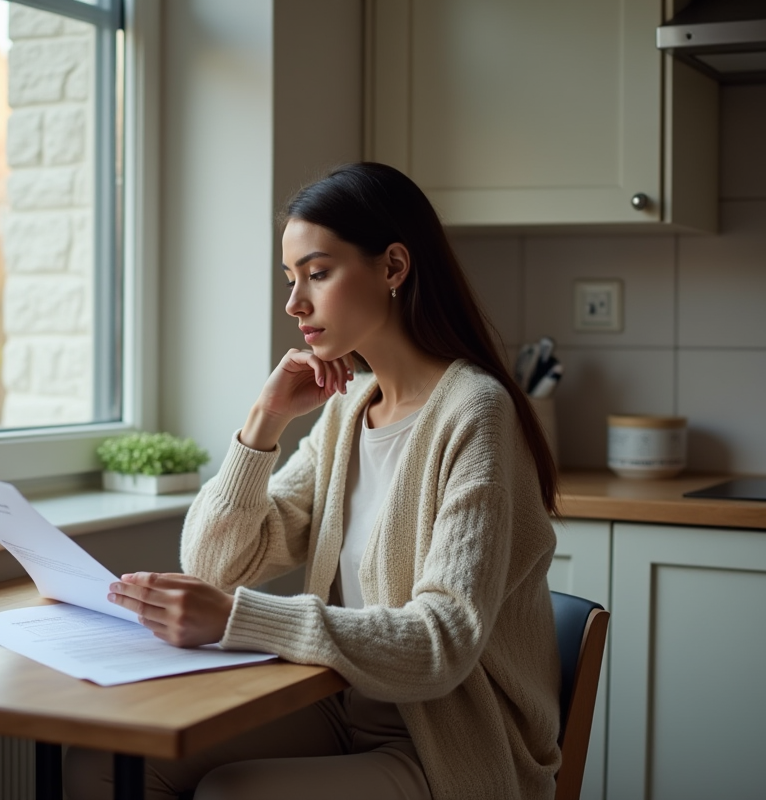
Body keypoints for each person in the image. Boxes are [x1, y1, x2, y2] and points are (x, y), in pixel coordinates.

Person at [65, 162, 562, 800]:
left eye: (318, 274)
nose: (295, 302)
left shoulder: (476, 413)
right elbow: (218, 562)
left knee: (233, 792)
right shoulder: (348, 409)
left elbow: (441, 643)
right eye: (291, 278)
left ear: (392, 268)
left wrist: (238, 620)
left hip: (452, 743)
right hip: (344, 707)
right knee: (100, 765)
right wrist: (263, 422)